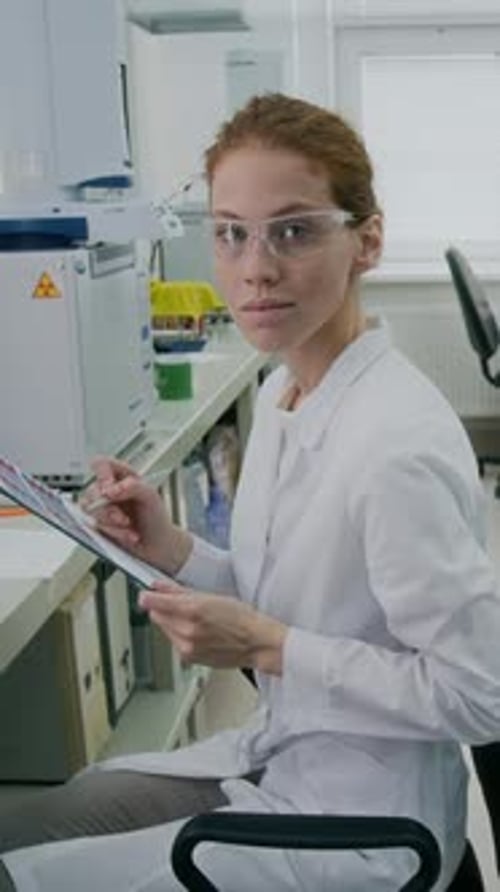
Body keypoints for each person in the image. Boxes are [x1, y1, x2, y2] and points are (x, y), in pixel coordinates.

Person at [1, 92, 500, 892]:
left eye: (294, 231)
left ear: (366, 240)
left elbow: (479, 695)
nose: (255, 267)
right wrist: (172, 549)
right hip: (281, 754)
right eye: (231, 234)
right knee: (47, 818)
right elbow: (291, 597)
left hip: (363, 825)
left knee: (33, 873)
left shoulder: (394, 446)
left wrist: (268, 646)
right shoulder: (284, 391)